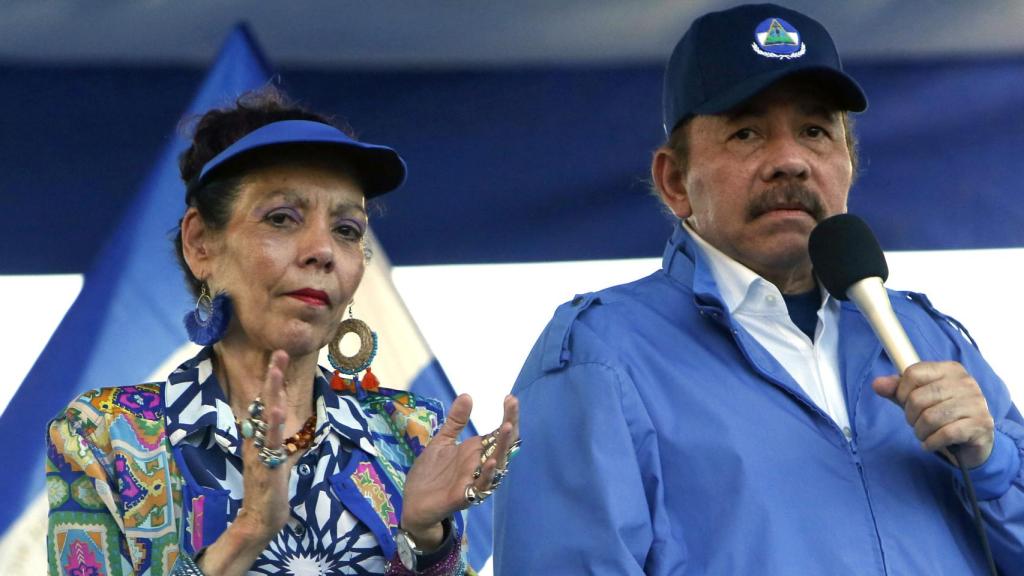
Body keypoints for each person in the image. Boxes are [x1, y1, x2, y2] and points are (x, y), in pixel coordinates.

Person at [494, 4, 1023, 574]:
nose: (790, 161)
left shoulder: (929, 339)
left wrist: (991, 464)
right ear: (675, 181)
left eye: (816, 131)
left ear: (848, 165)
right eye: (746, 132)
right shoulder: (600, 354)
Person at [46, 87, 519, 576]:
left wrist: (426, 542)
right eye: (281, 218)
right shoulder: (104, 435)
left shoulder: (409, 431)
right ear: (201, 243)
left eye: (347, 230)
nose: (323, 251)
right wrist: (248, 532)